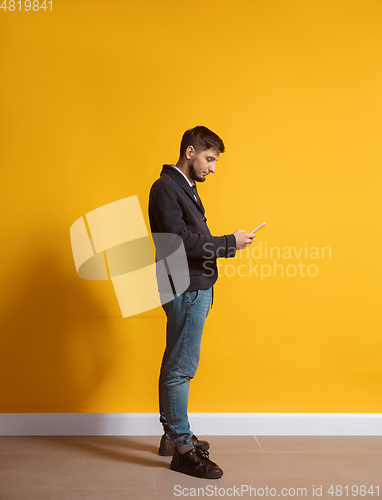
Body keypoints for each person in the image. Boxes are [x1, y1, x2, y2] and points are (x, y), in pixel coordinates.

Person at [148, 126, 255, 479]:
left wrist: (224, 244)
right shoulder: (166, 187)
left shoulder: (185, 187)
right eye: (210, 159)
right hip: (186, 288)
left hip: (194, 286)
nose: (212, 167)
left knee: (175, 360)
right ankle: (182, 449)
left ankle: (171, 434)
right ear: (190, 152)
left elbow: (192, 236)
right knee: (181, 367)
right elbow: (179, 241)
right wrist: (230, 242)